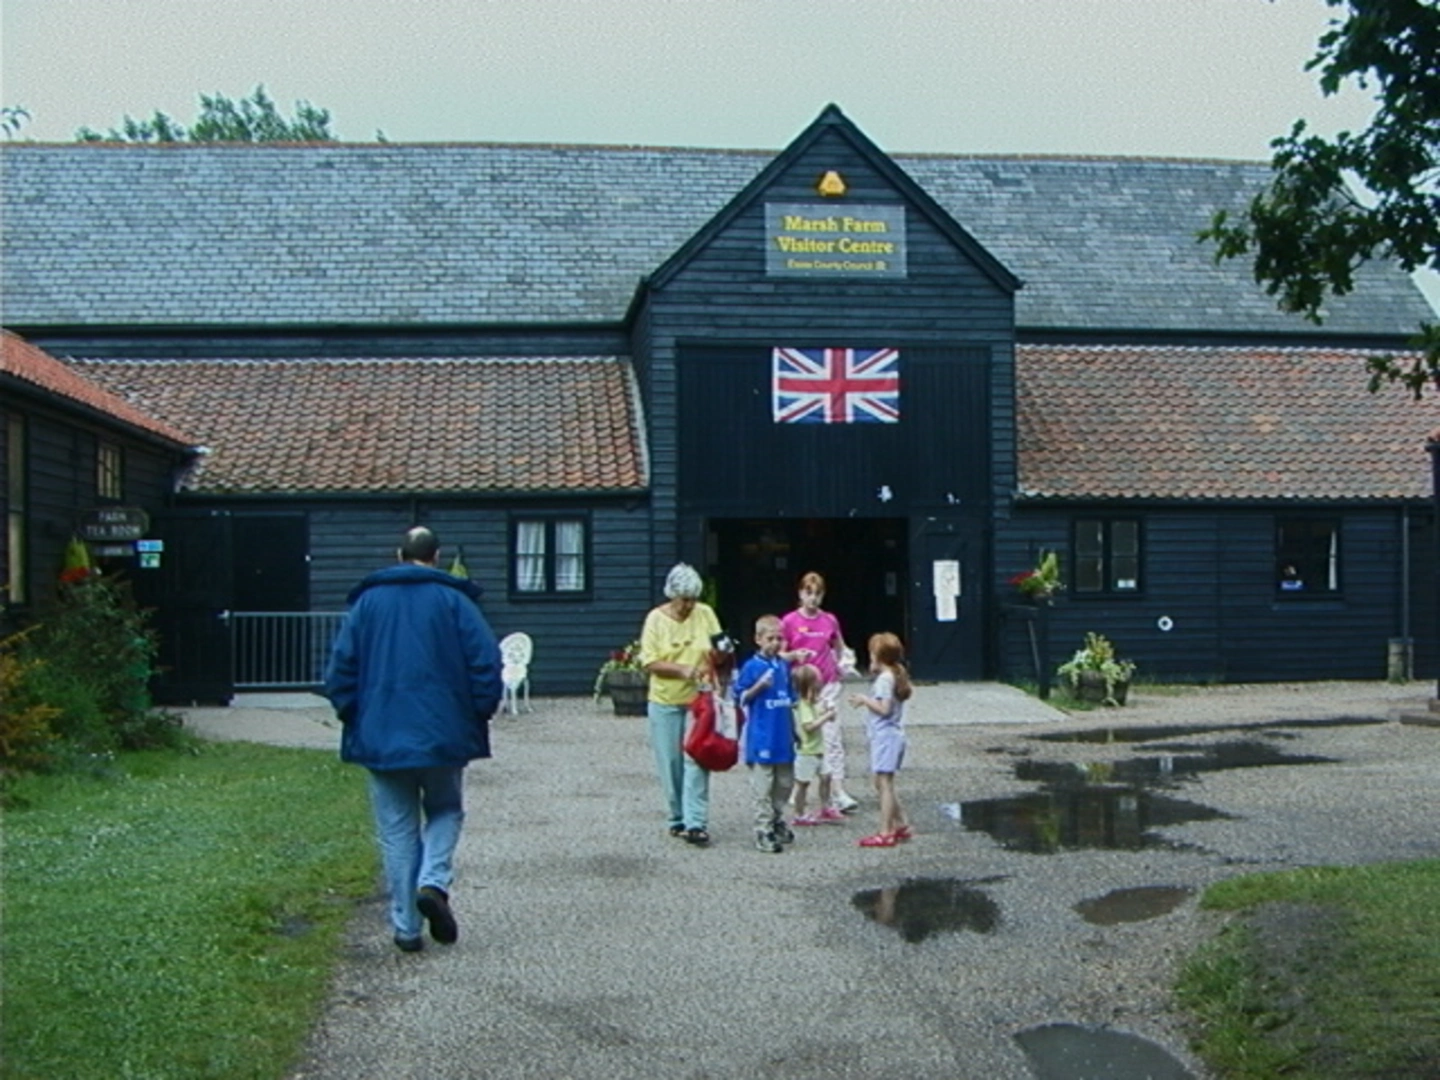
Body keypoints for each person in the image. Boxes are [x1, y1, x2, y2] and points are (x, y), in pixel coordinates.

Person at [323, 526, 502, 952]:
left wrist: (355, 716)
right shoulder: (455, 602)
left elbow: (340, 671)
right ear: (435, 556)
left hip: (381, 735)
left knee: (397, 830)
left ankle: (405, 928)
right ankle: (433, 882)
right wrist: (475, 714)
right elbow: (486, 664)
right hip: (444, 733)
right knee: (445, 810)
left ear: (399, 554)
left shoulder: (367, 604)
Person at [640, 562, 721, 846]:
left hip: (699, 698)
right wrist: (682, 669)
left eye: (693, 599)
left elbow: (716, 649)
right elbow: (649, 660)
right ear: (672, 594)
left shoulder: (705, 613)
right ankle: (677, 816)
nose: (689, 605)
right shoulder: (655, 619)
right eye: (684, 599)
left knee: (697, 757)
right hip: (665, 698)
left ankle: (696, 822)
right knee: (671, 762)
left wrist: (720, 655)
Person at [780, 572, 858, 813]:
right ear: (800, 594)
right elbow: (780, 654)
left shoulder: (830, 621)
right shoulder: (789, 621)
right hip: (801, 689)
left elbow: (841, 648)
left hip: (827, 685)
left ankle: (837, 790)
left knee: (832, 737)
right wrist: (794, 656)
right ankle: (798, 787)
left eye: (817, 594)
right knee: (802, 739)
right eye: (808, 593)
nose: (812, 599)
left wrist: (846, 662)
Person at [734, 614, 797, 853]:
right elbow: (740, 697)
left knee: (784, 783)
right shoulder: (752, 667)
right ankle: (763, 828)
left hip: (783, 737)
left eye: (779, 639)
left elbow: (791, 700)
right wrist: (758, 686)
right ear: (758, 639)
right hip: (762, 737)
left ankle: (776, 818)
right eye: (770, 638)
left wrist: (796, 730)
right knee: (763, 785)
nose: (775, 643)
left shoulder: (783, 666)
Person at [848, 631, 913, 848]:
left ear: (878, 656)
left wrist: (864, 700)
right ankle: (901, 823)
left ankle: (886, 831)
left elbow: (884, 709)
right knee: (881, 781)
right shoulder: (895, 675)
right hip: (890, 736)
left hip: (886, 737)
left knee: (884, 783)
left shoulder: (885, 680)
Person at [788, 663, 843, 827]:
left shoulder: (812, 703)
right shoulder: (803, 705)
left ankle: (826, 807)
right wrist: (827, 716)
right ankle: (799, 814)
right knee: (803, 783)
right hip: (807, 751)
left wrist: (827, 711)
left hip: (818, 749)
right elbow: (809, 727)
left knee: (826, 777)